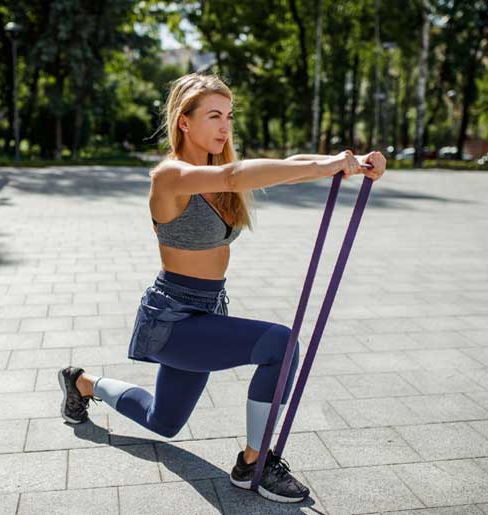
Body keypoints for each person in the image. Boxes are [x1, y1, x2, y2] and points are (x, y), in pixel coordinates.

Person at [59, 72, 386, 503]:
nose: (224, 126)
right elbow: (236, 175)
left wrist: (350, 158)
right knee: (280, 345)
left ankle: (82, 383)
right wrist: (327, 167)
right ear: (184, 121)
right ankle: (253, 462)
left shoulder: (215, 174)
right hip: (172, 319)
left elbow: (283, 166)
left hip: (207, 311)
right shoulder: (170, 176)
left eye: (229, 116)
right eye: (214, 115)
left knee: (164, 422)